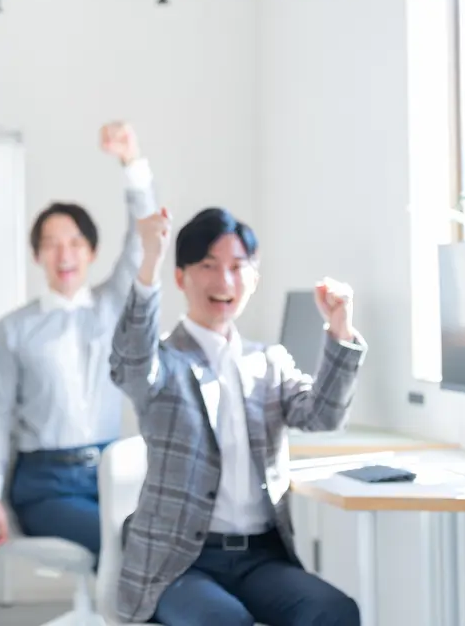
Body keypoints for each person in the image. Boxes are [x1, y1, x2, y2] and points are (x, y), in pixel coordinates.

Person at [109, 206, 366, 626]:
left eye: (236, 267)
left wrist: (340, 330)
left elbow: (323, 417)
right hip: (179, 563)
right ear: (181, 277)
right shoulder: (164, 361)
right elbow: (131, 363)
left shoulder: (269, 361)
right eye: (208, 266)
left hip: (260, 556)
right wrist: (150, 260)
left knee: (334, 612)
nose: (224, 281)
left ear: (254, 279)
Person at [0, 122, 157, 557]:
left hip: (114, 472)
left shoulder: (112, 307)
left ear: (92, 252)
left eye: (75, 242)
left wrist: (131, 163)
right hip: (45, 484)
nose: (65, 254)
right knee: (123, 546)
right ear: (37, 255)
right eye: (52, 244)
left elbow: (142, 240)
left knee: (159, 545)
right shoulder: (14, 328)